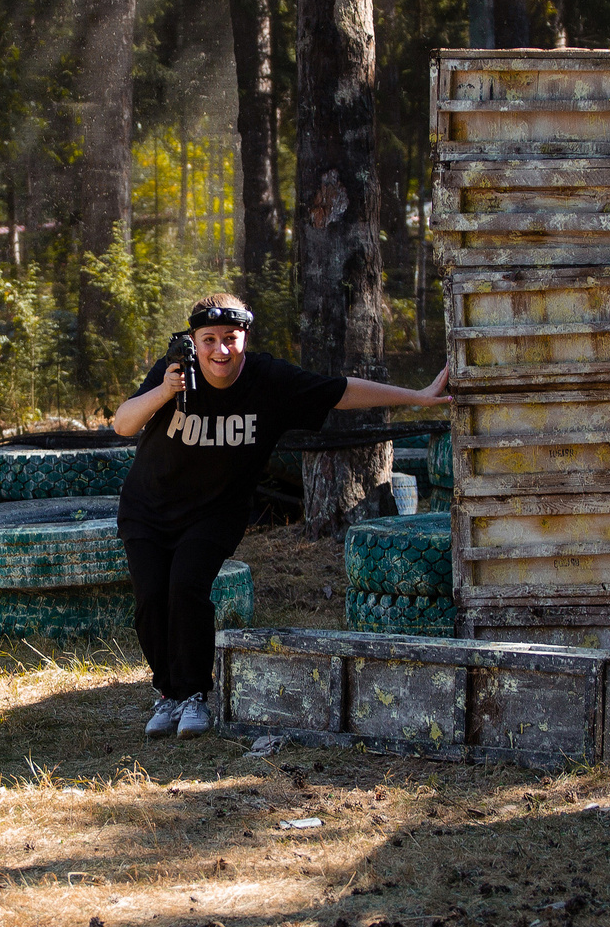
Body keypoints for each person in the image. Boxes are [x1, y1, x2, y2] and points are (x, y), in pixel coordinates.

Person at [108, 294, 451, 739]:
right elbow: (123, 424)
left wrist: (419, 398)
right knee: (152, 598)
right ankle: (168, 695)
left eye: (230, 339)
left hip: (216, 512)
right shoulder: (174, 373)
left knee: (186, 587)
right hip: (148, 511)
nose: (220, 350)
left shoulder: (268, 379)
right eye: (209, 340)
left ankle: (193, 694)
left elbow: (341, 390)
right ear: (193, 341)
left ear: (244, 338)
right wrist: (165, 390)